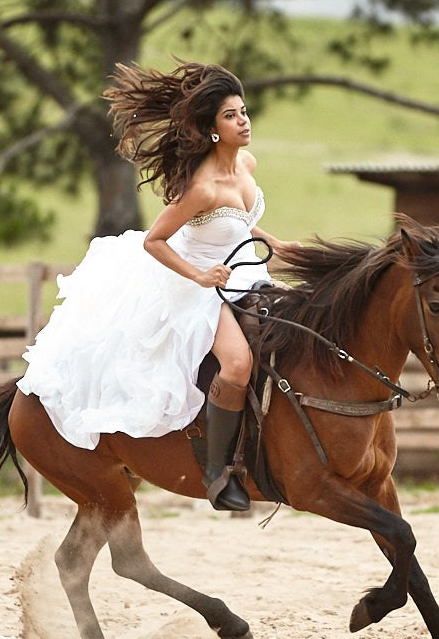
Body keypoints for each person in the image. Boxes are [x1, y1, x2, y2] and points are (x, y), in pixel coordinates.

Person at [18, 62, 302, 511]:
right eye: (230, 115)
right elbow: (155, 241)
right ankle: (216, 471)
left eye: (243, 111)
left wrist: (279, 243)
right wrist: (200, 277)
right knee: (236, 362)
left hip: (243, 273)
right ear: (212, 130)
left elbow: (244, 225)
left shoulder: (246, 164)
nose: (243, 120)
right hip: (194, 284)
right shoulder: (202, 187)